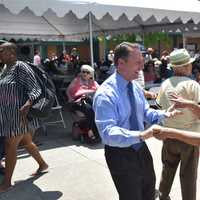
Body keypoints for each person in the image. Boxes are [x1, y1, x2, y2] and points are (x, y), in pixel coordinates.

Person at [93, 42, 180, 200]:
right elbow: (107, 133)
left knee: (148, 192)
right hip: (120, 154)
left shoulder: (135, 87)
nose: (142, 66)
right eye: (137, 62)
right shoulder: (105, 94)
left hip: (141, 150)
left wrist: (165, 114)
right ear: (121, 63)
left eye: (142, 61)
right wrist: (141, 135)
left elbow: (145, 112)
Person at [0, 42, 48, 192]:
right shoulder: (5, 69)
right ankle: (43, 164)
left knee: (10, 144)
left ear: (12, 52)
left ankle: (7, 182)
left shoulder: (20, 66)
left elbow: (35, 88)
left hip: (19, 114)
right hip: (7, 114)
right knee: (27, 142)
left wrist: (28, 103)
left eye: (1, 51)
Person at [156, 48, 200, 200]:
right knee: (188, 175)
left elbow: (159, 110)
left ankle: (162, 195)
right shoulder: (193, 85)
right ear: (183, 66)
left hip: (168, 136)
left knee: (167, 169)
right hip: (189, 137)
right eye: (189, 64)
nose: (191, 67)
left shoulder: (165, 84)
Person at [66, 64, 99, 142]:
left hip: (89, 101)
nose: (85, 74)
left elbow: (101, 90)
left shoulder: (93, 82)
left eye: (87, 72)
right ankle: (90, 130)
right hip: (78, 101)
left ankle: (94, 131)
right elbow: (68, 91)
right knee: (89, 109)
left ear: (91, 75)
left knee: (95, 108)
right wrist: (70, 98)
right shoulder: (76, 80)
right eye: (83, 72)